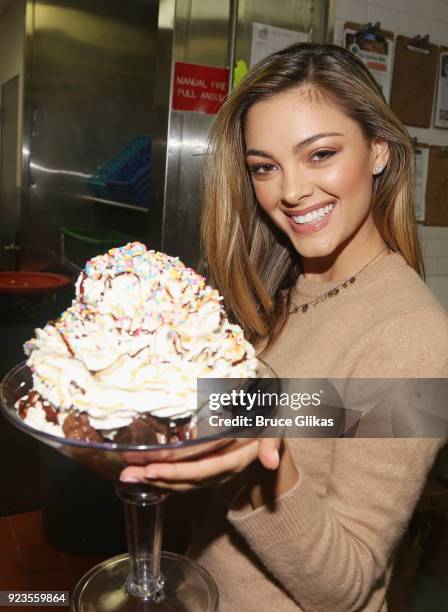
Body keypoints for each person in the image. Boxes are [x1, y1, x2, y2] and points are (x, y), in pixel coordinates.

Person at [121, 43, 448, 611]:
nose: (290, 191)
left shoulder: (418, 336)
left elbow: (347, 586)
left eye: (319, 154)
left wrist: (260, 463)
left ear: (378, 152)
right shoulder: (273, 290)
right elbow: (294, 411)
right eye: (264, 167)